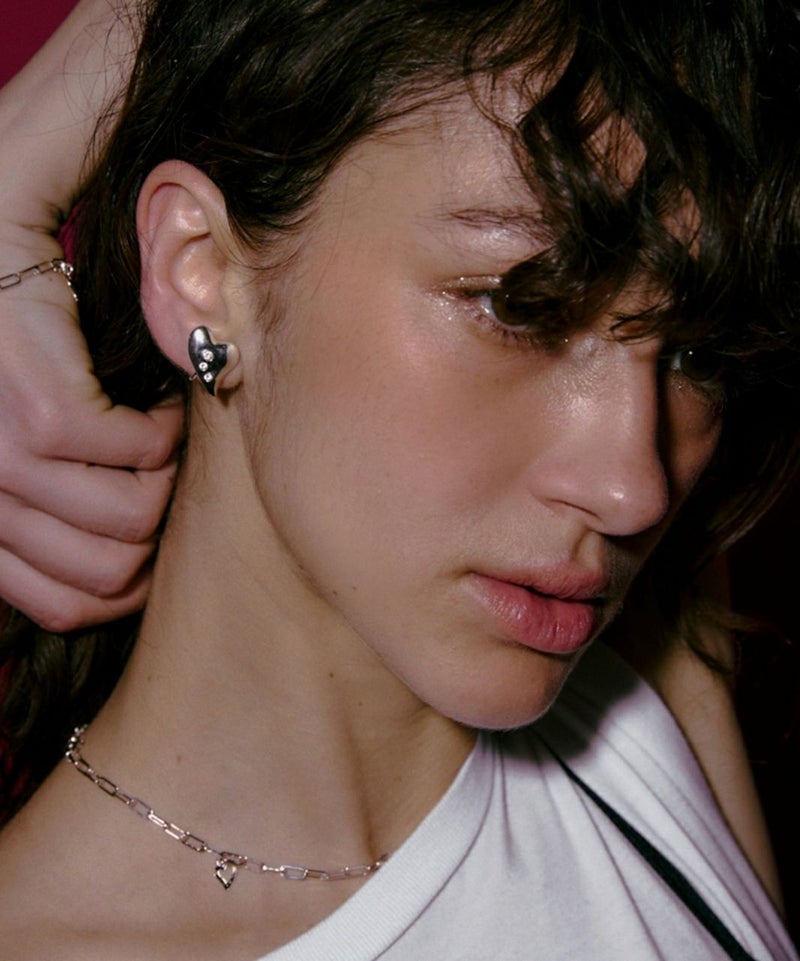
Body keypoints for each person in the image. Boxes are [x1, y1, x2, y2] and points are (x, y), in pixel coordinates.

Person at [0, 0, 799, 958]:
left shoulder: (652, 659)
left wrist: (14, 174)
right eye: (518, 306)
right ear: (199, 268)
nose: (635, 490)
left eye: (698, 352)